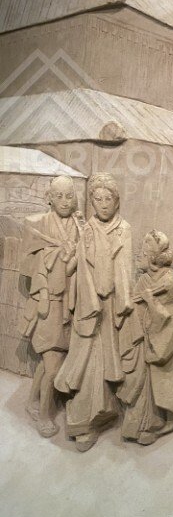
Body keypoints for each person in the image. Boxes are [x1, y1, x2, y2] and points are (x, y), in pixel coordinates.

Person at [55, 172, 134, 451]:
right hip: (88, 308)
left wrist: (124, 304)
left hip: (111, 306)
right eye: (97, 199)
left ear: (117, 201)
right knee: (86, 360)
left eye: (108, 198)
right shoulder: (85, 229)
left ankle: (106, 410)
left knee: (107, 362)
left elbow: (125, 270)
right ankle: (82, 420)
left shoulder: (124, 229)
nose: (102, 204)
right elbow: (77, 268)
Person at [118, 231, 173, 445]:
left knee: (165, 383)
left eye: (143, 253)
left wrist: (150, 302)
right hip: (144, 337)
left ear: (153, 258)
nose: (139, 256)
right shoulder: (145, 278)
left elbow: (166, 316)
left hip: (160, 340)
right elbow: (135, 305)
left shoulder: (168, 281)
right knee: (144, 384)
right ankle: (145, 423)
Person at [20, 175, 80, 438]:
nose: (65, 201)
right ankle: (44, 416)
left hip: (70, 303)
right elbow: (33, 267)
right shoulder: (40, 225)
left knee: (50, 362)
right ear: (49, 198)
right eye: (59, 196)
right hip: (49, 303)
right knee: (53, 365)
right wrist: (63, 257)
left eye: (69, 196)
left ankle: (33, 401)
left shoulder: (79, 225)